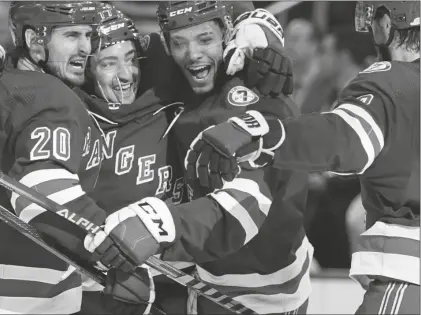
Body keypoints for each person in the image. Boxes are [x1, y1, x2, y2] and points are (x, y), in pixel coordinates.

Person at [185, 1, 420, 314]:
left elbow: (344, 139)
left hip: (409, 280)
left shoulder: (393, 84)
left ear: (386, 25)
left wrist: (258, 133)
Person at [85, 2, 312, 314]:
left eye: (205, 39)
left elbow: (245, 204)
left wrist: (159, 225)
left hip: (269, 289)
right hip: (203, 282)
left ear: (227, 33)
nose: (192, 54)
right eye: (179, 43)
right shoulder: (167, 68)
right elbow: (85, 55)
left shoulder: (258, 87)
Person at [0, 2, 140, 313]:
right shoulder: (49, 97)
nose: (85, 48)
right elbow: (42, 193)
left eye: (88, 35)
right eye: (71, 35)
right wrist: (119, 249)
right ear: (35, 41)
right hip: (9, 297)